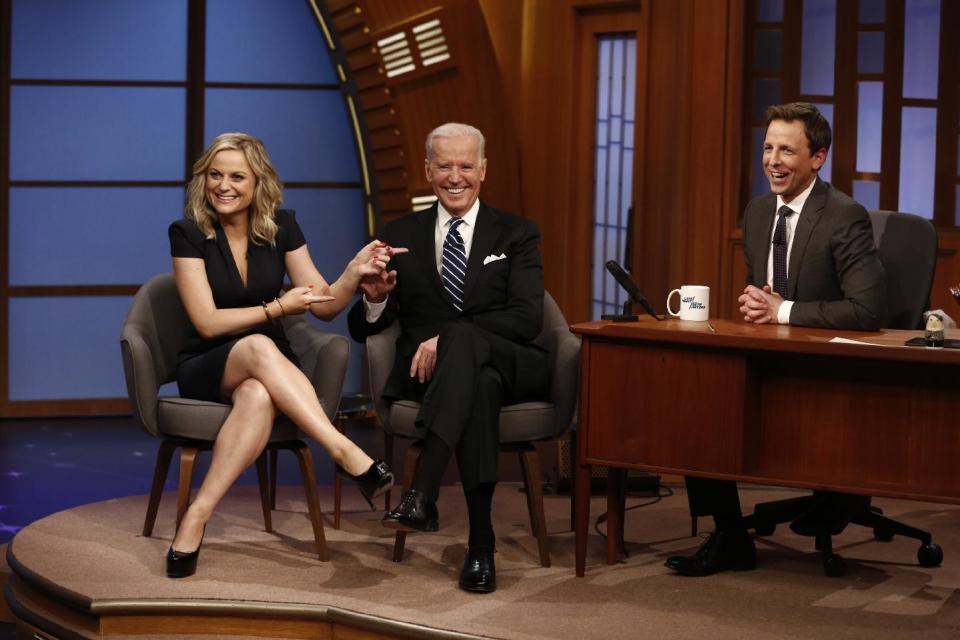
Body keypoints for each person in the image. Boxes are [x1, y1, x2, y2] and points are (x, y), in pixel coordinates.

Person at [665, 103, 887, 576]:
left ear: (817, 158)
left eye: (787, 150)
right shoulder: (760, 211)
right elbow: (760, 292)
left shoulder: (845, 215)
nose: (773, 161)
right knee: (699, 399)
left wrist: (782, 310)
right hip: (766, 355)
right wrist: (754, 305)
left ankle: (839, 495)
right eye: (768, 148)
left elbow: (868, 312)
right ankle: (728, 535)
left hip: (824, 370)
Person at [166, 132, 398, 578]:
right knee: (258, 344)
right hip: (208, 360)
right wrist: (276, 308)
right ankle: (341, 448)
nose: (223, 185)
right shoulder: (189, 232)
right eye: (215, 175)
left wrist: (352, 273)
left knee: (256, 394)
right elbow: (207, 323)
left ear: (258, 183)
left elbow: (326, 305)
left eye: (237, 176)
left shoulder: (282, 226)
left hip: (266, 366)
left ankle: (195, 517)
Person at [347, 123, 549, 593]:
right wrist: (375, 298)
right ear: (426, 171)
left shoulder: (517, 232)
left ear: (483, 169)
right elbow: (363, 329)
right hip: (431, 377)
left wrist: (453, 337)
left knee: (468, 350)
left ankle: (422, 493)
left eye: (465, 166)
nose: (454, 177)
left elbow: (527, 318)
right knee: (478, 386)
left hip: (510, 362)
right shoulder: (400, 236)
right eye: (444, 166)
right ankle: (481, 545)